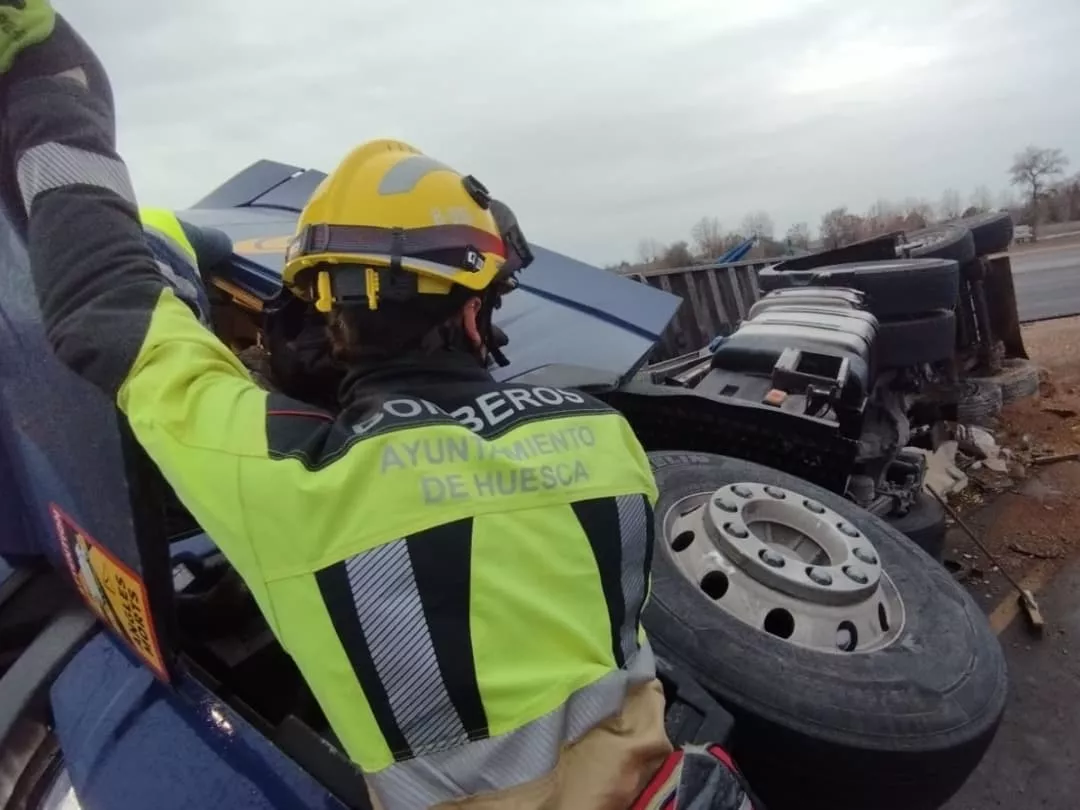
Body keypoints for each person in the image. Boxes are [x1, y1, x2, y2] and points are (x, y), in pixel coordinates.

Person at [0, 6, 674, 809]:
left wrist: (49, 85)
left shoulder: (296, 485)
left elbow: (99, 304)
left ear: (328, 317)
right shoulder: (606, 440)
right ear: (473, 311)